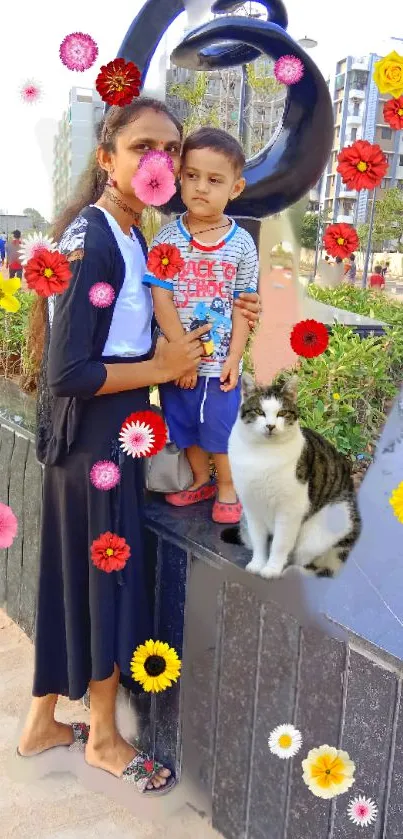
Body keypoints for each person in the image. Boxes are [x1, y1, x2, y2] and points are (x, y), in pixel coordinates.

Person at [17, 98, 260, 794]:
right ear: (107, 159)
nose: (159, 161)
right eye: (142, 146)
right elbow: (68, 371)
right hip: (97, 439)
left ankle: (40, 723)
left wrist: (220, 322)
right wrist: (160, 367)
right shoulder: (93, 238)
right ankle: (103, 735)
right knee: (102, 576)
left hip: (101, 437)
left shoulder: (125, 235)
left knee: (71, 575)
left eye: (170, 149)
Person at [144, 127, 259, 525]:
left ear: (236, 187)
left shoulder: (242, 244)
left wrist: (235, 356)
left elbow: (244, 305)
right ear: (178, 178)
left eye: (214, 180)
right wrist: (182, 355)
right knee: (184, 424)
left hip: (220, 364)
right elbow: (161, 297)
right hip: (179, 361)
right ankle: (199, 480)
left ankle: (226, 486)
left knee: (220, 427)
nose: (200, 187)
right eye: (191, 176)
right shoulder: (167, 239)